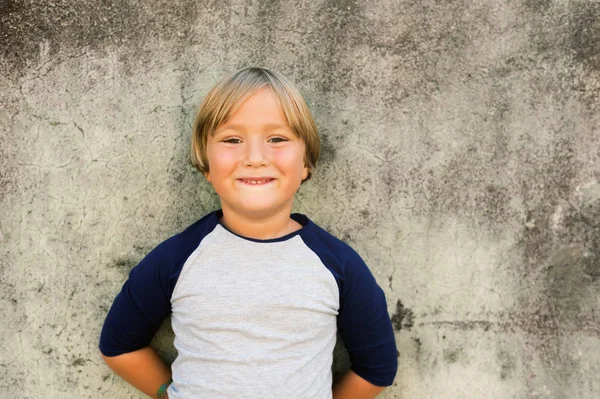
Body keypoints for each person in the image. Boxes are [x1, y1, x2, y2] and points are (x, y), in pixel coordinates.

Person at [99, 67, 398, 399]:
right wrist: (169, 393)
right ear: (206, 163)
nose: (255, 157)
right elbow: (119, 346)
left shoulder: (339, 265)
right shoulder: (176, 259)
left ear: (305, 163)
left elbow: (377, 368)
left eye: (277, 139)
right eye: (232, 140)